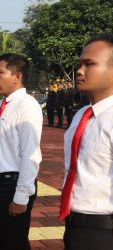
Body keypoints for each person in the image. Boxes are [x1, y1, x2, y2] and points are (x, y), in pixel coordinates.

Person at [59, 33, 113, 250]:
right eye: (79, 64)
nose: (79, 71)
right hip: (75, 224)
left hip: (103, 232)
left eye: (89, 64)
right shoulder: (82, 114)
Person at [0, 53, 43, 250]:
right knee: (3, 240)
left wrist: (21, 196)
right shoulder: (3, 104)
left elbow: (30, 154)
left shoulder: (27, 105)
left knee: (14, 242)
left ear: (17, 77)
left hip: (13, 184)